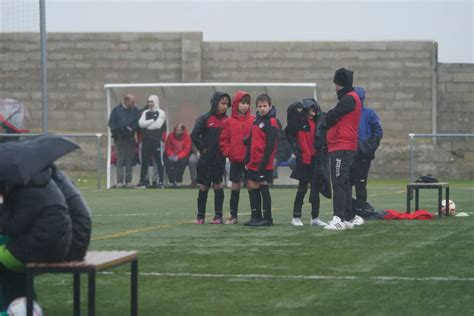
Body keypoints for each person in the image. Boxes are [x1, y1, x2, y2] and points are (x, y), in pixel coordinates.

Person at [0, 168, 72, 311]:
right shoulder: (41, 183)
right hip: (59, 246)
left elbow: (14, 227)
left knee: (6, 255)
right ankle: (27, 303)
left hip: (39, 249)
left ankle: (4, 308)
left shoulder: (23, 192)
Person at [323, 68, 363, 231]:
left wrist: (326, 118)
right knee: (344, 182)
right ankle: (347, 217)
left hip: (342, 145)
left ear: (338, 83)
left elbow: (332, 115)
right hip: (343, 145)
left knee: (338, 181)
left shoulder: (348, 99)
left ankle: (338, 217)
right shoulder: (351, 98)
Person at [285, 99, 328, 227]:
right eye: (311, 108)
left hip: (315, 160)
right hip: (304, 160)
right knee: (302, 189)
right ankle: (296, 216)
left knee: (315, 190)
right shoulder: (299, 123)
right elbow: (290, 125)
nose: (314, 110)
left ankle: (315, 217)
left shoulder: (318, 123)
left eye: (315, 108)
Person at [191, 92, 231, 224]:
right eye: (222, 103)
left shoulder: (228, 120)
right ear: (215, 103)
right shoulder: (204, 118)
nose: (225, 106)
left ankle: (218, 216)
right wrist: (203, 149)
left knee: (218, 185)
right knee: (203, 187)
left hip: (219, 159)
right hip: (205, 160)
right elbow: (194, 135)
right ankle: (200, 216)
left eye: (226, 104)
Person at [243, 94, 279, 226]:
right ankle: (256, 216)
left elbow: (271, 145)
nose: (262, 109)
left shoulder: (272, 122)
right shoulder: (256, 120)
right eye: (259, 106)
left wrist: (263, 163)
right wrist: (247, 159)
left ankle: (268, 218)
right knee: (253, 186)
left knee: (263, 185)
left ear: (270, 106)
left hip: (264, 162)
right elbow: (252, 140)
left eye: (265, 106)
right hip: (253, 161)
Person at [219, 91, 254, 224]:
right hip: (235, 160)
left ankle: (254, 215)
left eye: (247, 103)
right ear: (235, 104)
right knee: (235, 185)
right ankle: (233, 216)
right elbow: (224, 140)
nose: (245, 106)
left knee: (251, 185)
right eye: (242, 103)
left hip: (250, 160)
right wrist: (229, 153)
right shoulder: (228, 121)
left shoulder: (253, 120)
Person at [350, 87, 383, 217]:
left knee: (361, 183)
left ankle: (360, 212)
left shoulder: (369, 113)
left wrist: (369, 147)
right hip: (349, 154)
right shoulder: (347, 114)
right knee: (346, 183)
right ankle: (348, 210)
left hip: (363, 156)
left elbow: (378, 132)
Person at [108, 94, 140, 188]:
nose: (133, 104)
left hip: (130, 138)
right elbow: (111, 123)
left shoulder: (135, 110)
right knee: (120, 160)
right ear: (126, 101)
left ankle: (128, 181)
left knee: (129, 160)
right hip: (119, 139)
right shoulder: (116, 110)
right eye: (132, 102)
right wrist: (119, 130)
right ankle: (119, 181)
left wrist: (132, 129)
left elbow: (137, 122)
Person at [136, 95, 166, 188]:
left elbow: (158, 125)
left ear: (156, 102)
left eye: (151, 102)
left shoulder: (161, 112)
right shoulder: (145, 112)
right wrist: (152, 121)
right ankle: (143, 181)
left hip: (157, 141)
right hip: (146, 141)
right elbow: (140, 124)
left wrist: (147, 124)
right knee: (144, 162)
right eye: (148, 102)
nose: (150, 104)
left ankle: (160, 181)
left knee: (159, 162)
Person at [164, 123, 192, 187]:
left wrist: (178, 156)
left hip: (182, 155)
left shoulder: (187, 137)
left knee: (182, 162)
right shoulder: (170, 136)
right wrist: (172, 155)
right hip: (172, 155)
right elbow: (168, 148)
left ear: (183, 131)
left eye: (179, 130)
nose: (177, 132)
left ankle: (179, 180)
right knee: (168, 162)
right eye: (176, 130)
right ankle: (171, 180)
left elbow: (186, 150)